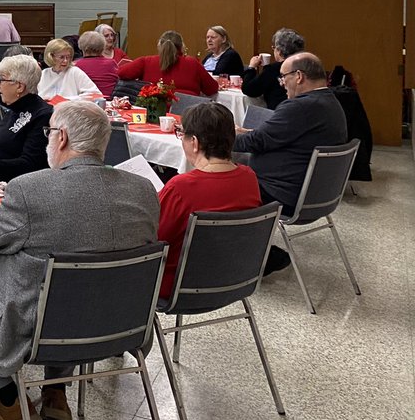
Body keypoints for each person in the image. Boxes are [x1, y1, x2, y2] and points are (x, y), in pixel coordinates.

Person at [0, 101, 159, 420]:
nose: (47, 139)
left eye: (49, 132)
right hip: (119, 321)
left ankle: (9, 402)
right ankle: (56, 393)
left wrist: (10, 203)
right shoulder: (144, 190)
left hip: (40, 325)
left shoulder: (30, 189)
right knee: (75, 290)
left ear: (63, 137)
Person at [156, 102, 260, 297]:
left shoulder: (180, 188)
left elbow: (154, 239)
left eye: (182, 134)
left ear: (195, 142)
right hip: (235, 279)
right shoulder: (249, 177)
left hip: (178, 285)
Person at [234, 52, 346, 217]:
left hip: (279, 193)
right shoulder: (330, 101)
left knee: (216, 168)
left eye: (283, 77)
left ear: (299, 76)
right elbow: (286, 135)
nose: (282, 83)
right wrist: (245, 132)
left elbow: (255, 142)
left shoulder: (299, 107)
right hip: (315, 193)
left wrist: (215, 139)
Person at [117, 30, 218, 96]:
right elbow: (212, 89)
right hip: (186, 115)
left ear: (159, 45)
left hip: (153, 113)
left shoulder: (146, 61)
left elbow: (121, 73)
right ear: (182, 46)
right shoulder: (192, 63)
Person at [241, 27, 304, 109]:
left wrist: (251, 68)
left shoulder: (274, 69)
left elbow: (249, 89)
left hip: (278, 112)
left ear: (279, 51)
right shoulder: (306, 65)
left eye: (274, 48)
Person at [73, 30, 120, 98]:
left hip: (87, 101)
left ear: (81, 46)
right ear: (103, 46)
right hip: (108, 100)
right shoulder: (111, 63)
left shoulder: (77, 65)